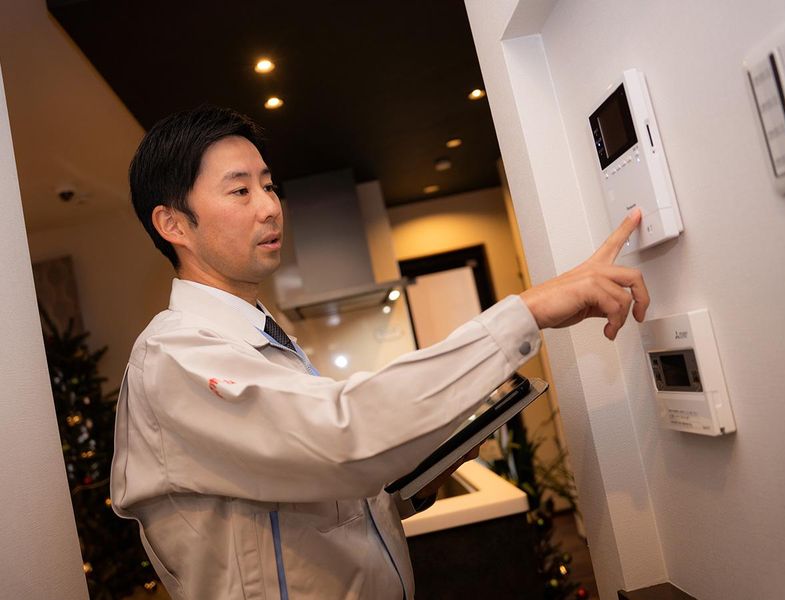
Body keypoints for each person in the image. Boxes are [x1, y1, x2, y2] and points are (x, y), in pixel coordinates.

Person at [111, 105, 649, 600]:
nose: (271, 207)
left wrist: (414, 487)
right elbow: (341, 439)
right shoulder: (175, 356)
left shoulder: (264, 338)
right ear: (173, 224)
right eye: (240, 191)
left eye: (270, 186)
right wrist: (526, 312)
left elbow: (311, 501)